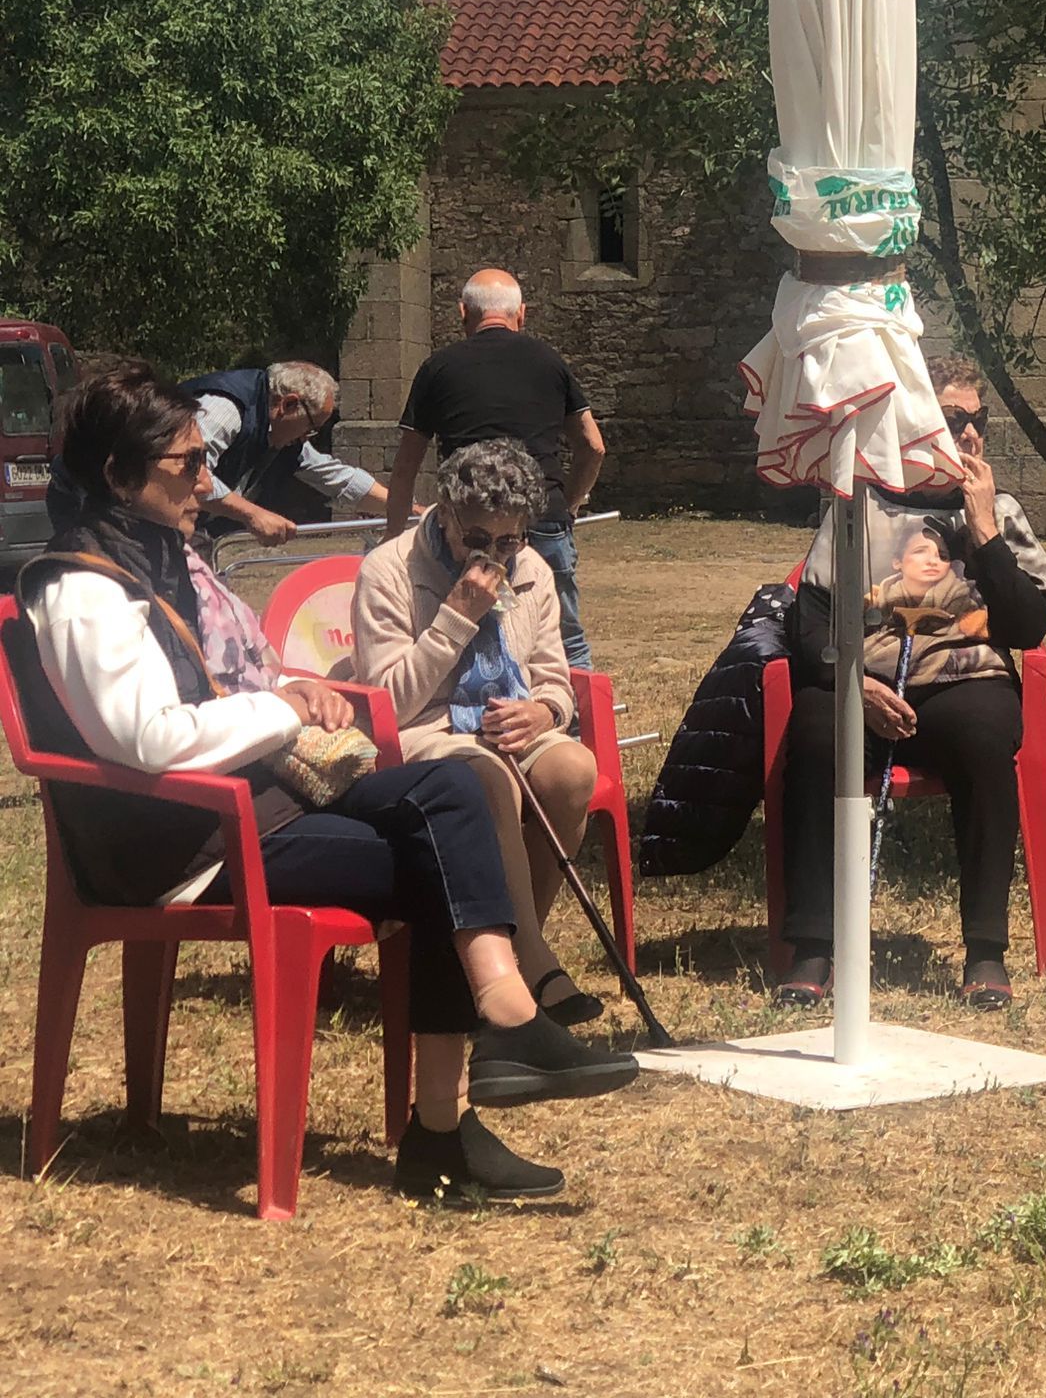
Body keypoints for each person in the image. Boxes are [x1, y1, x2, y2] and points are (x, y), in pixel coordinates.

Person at [16, 370, 637, 1202]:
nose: (209, 481)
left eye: (205, 459)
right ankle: (456, 1113)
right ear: (118, 476)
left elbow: (226, 683)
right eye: (187, 464)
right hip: (183, 841)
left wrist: (289, 689)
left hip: (252, 803)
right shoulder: (85, 591)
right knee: (442, 857)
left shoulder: (167, 560)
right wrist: (277, 713)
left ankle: (505, 1015)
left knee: (449, 797)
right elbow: (146, 740)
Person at [776, 356, 1046, 1011]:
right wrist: (852, 687)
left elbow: (1027, 624)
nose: (971, 435)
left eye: (978, 421)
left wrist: (983, 530)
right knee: (817, 736)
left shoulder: (1002, 510)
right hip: (869, 686)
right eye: (954, 420)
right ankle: (814, 946)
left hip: (966, 684)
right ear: (914, 426)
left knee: (986, 737)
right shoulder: (858, 506)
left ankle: (986, 951)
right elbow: (808, 621)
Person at [352, 440, 604, 1026]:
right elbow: (390, 702)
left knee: (572, 771)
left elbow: (554, 678)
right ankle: (535, 967)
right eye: (477, 539)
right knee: (489, 777)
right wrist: (455, 617)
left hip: (508, 722)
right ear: (443, 515)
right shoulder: (388, 570)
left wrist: (544, 712)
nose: (494, 555)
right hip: (425, 729)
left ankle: (515, 948)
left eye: (510, 540)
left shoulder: (534, 569)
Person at [386, 270, 605, 669]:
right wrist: (566, 506)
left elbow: (405, 467)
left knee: (463, 625)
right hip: (542, 517)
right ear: (521, 314)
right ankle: (575, 725)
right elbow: (593, 446)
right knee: (563, 638)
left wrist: (391, 538)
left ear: (462, 313)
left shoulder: (438, 368)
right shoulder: (550, 362)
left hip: (468, 527)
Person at [185, 361, 399, 544]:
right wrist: (252, 514)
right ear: (288, 404)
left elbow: (338, 478)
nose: (308, 437)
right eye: (311, 427)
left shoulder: (283, 435)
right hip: (156, 532)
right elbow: (189, 472)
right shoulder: (225, 408)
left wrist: (409, 509)